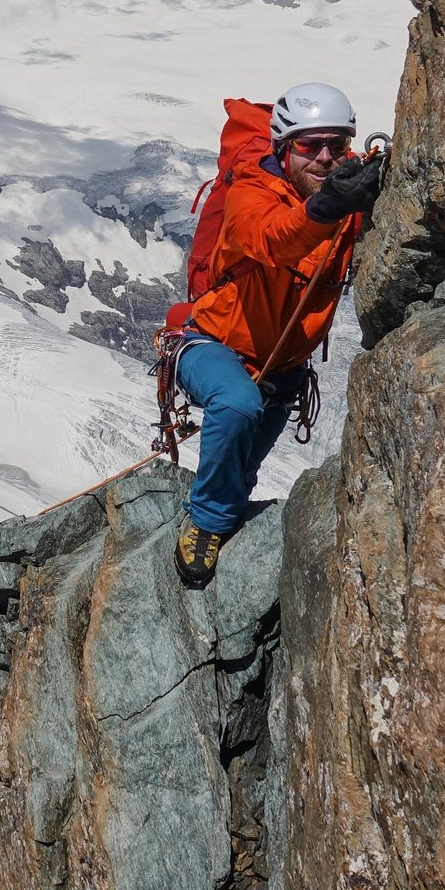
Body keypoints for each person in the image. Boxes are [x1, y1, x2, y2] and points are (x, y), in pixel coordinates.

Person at [173, 82, 383, 587]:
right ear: (284, 149)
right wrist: (328, 207)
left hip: (284, 367)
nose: (325, 158)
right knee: (237, 405)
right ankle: (206, 521)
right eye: (310, 146)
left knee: (242, 466)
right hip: (211, 343)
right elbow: (272, 239)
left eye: (337, 145)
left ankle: (227, 508)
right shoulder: (251, 191)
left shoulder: (345, 195)